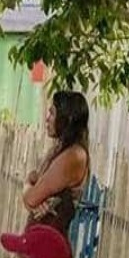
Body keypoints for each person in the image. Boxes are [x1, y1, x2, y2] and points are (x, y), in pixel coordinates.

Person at [24, 91, 90, 235]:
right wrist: (31, 183)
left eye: (52, 113)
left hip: (48, 244)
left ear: (67, 119)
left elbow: (31, 199)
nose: (47, 118)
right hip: (40, 238)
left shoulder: (73, 156)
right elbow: (35, 178)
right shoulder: (60, 149)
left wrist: (28, 187)